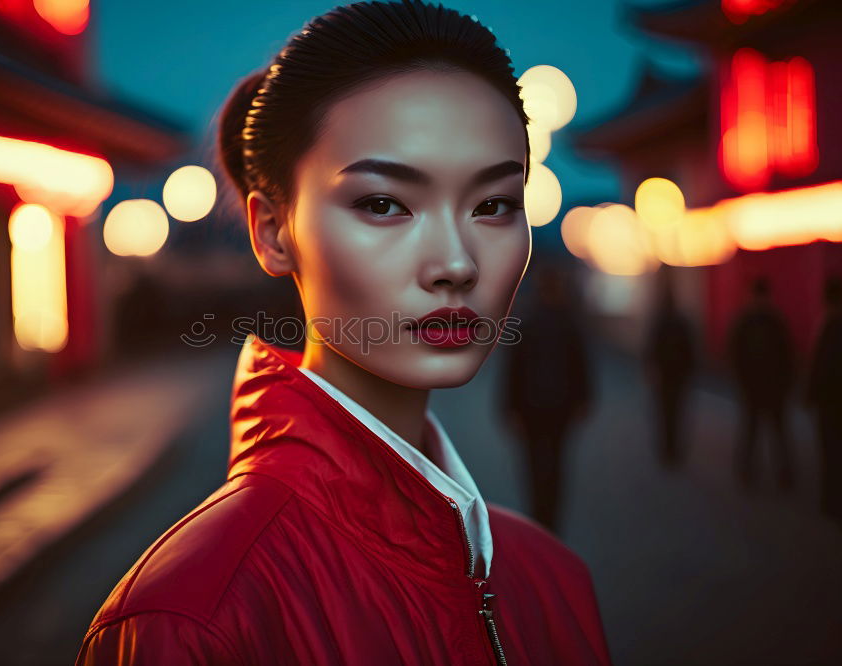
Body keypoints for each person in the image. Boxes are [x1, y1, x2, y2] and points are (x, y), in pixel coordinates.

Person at [76, 2, 611, 664]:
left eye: (493, 204)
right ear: (272, 230)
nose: (455, 262)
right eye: (384, 203)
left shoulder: (552, 580)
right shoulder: (191, 619)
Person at [500, 264, 593, 532]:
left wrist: (510, 406)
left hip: (530, 406)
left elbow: (513, 370)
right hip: (560, 405)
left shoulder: (527, 323)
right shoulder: (569, 323)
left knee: (533, 462)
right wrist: (583, 399)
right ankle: (551, 516)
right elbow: (581, 366)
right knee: (557, 459)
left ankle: (538, 513)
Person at [727, 276, 796, 491]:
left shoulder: (746, 320)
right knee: (776, 433)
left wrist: (741, 381)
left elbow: (734, 354)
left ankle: (749, 473)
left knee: (753, 431)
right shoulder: (776, 320)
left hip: (755, 388)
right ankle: (782, 475)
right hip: (772, 388)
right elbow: (788, 356)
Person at [804, 275, 842, 525]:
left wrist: (810, 396)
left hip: (830, 405)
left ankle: (832, 501)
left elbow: (818, 367)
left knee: (831, 455)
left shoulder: (829, 325)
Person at [642, 265, 696, 468]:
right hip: (678, 376)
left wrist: (650, 370)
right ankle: (673, 450)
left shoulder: (659, 321)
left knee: (665, 414)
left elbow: (650, 349)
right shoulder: (681, 321)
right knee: (677, 413)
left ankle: (667, 450)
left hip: (665, 376)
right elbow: (690, 350)